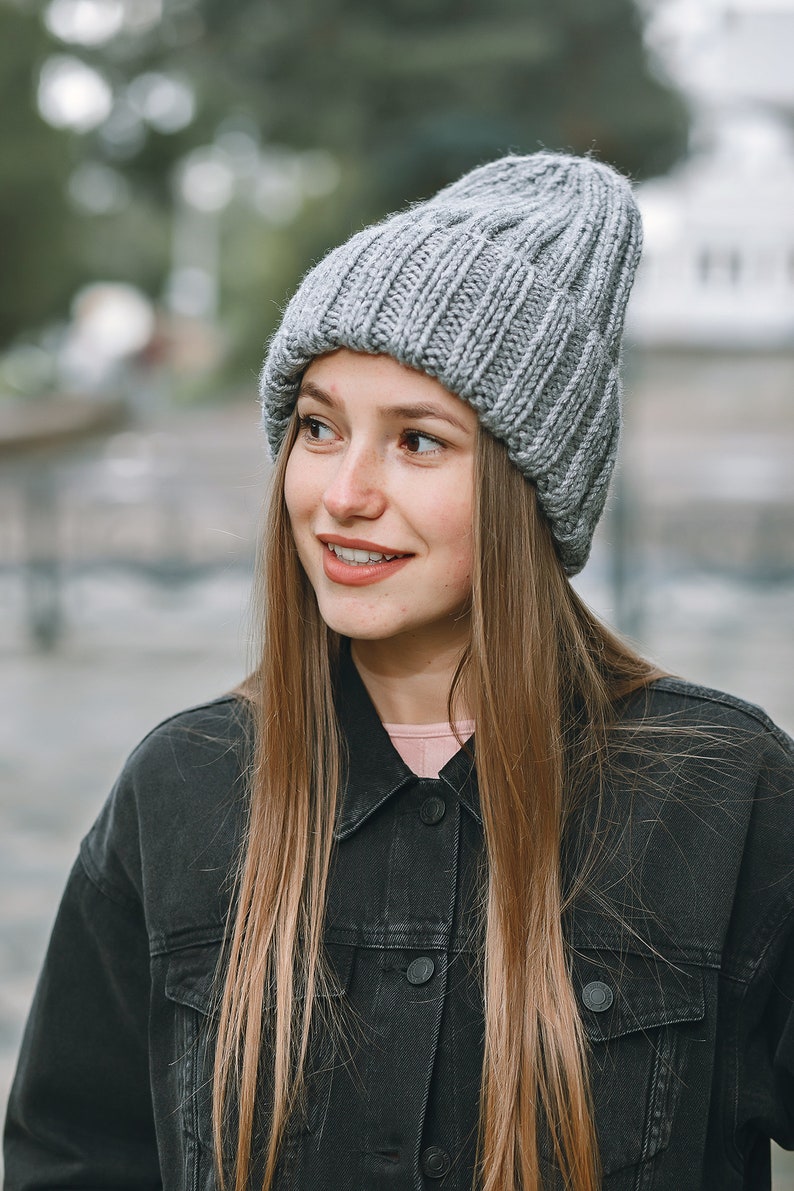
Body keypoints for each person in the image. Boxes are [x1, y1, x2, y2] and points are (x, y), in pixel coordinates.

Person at [4, 153, 794, 1191]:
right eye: (318, 428)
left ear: (529, 487)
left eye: (417, 442)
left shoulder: (722, 792)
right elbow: (70, 1160)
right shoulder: (183, 788)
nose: (341, 493)